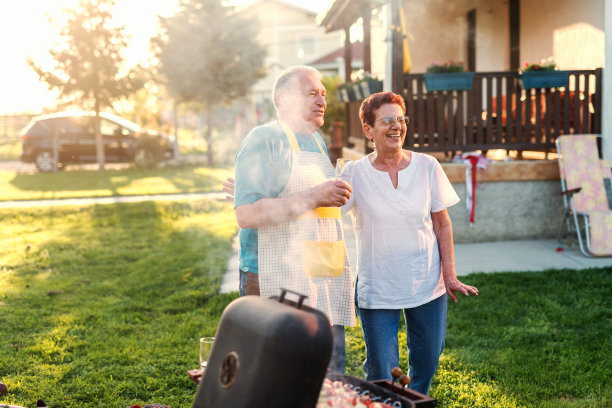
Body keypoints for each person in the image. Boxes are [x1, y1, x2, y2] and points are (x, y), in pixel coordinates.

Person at [341, 91, 479, 395]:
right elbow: (324, 211)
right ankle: (388, 399)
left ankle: (413, 400)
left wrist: (450, 275)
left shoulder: (427, 166)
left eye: (401, 120)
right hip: (378, 286)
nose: (396, 126)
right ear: (368, 130)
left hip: (426, 282)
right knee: (382, 371)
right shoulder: (353, 173)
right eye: (387, 120)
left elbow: (442, 224)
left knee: (428, 360)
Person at [232, 66, 356, 374]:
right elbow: (246, 215)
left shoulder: (316, 141)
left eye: (323, 94)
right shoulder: (264, 139)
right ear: (282, 99)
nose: (322, 102)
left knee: (324, 376)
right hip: (273, 276)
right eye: (312, 93)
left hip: (318, 272)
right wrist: (315, 196)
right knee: (276, 377)